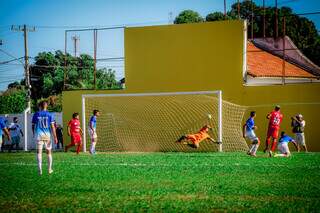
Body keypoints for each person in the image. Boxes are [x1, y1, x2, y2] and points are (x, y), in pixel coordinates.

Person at [32, 101, 58, 175]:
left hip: (39, 135)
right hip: (47, 136)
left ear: (40, 106)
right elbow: (53, 127)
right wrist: (55, 137)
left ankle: (40, 170)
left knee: (39, 152)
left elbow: (33, 125)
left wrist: (34, 133)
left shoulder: (36, 114)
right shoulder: (50, 114)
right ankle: (49, 169)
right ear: (46, 106)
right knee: (49, 152)